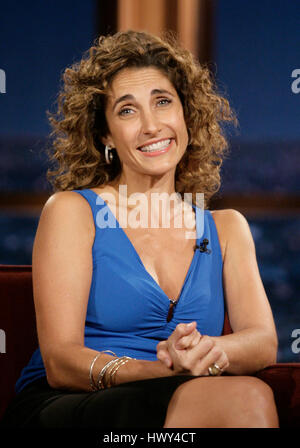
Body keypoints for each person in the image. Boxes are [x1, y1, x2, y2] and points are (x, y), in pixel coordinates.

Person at [1, 29, 279, 428]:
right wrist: (165, 371)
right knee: (240, 398)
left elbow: (262, 342)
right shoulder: (72, 212)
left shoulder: (227, 228)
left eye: (163, 102)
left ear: (186, 114)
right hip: (74, 403)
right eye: (127, 111)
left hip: (185, 393)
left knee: (240, 397)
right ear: (105, 135)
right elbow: (61, 363)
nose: (151, 126)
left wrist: (205, 351)